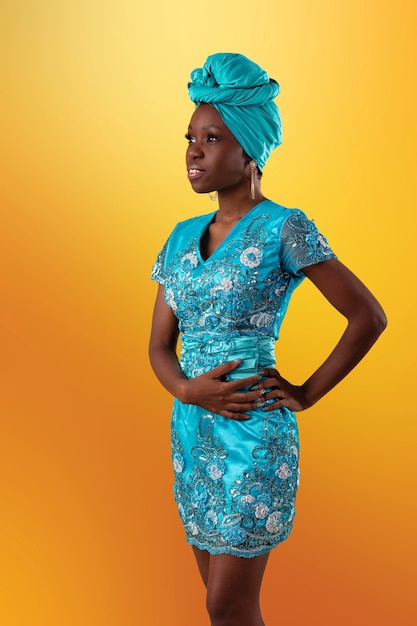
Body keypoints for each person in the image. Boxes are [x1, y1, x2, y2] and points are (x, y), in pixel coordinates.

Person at [149, 53, 386, 626]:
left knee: (226, 604)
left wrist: (305, 393)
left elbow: (367, 317)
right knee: (226, 609)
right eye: (190, 137)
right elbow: (159, 346)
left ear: (249, 149)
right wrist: (186, 391)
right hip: (193, 435)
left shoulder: (285, 227)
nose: (194, 150)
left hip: (254, 437)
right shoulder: (180, 237)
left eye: (212, 137)